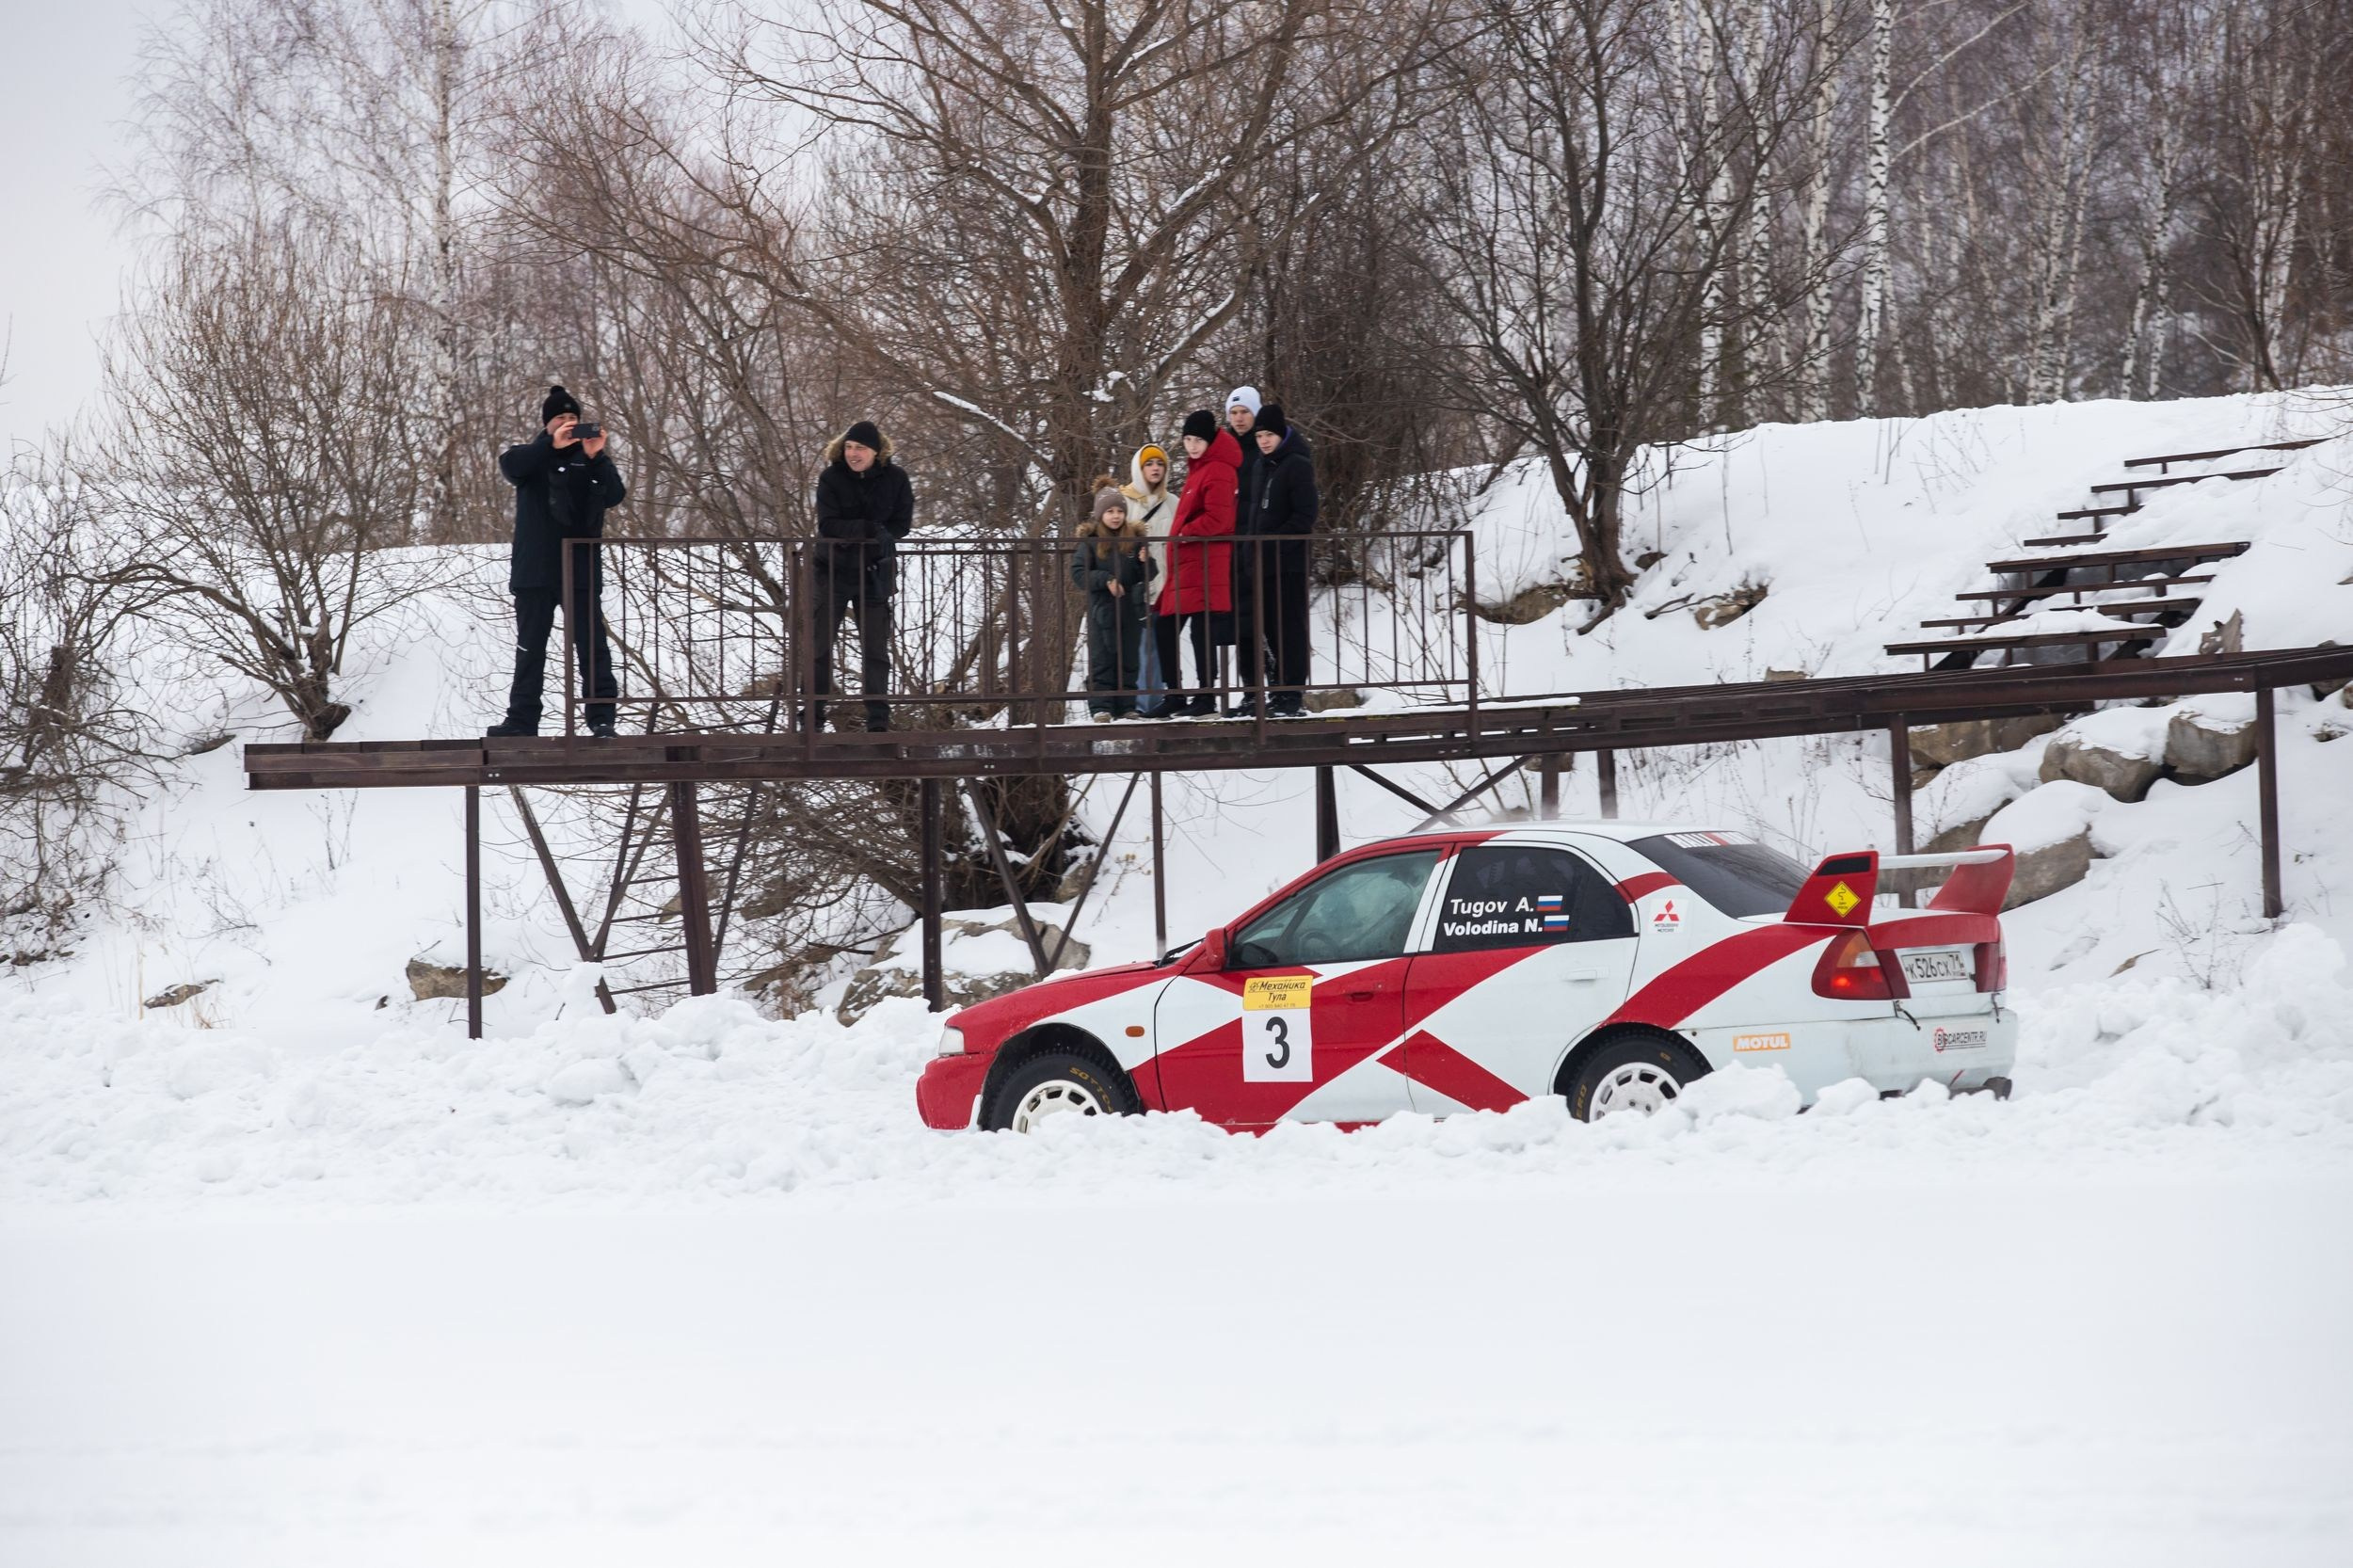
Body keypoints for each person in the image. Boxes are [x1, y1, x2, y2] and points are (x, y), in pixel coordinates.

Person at [489, 385, 626, 738]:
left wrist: (597, 457)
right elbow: (511, 466)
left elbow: (613, 495)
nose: (569, 425)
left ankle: (601, 720)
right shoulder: (533, 457)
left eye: (574, 419)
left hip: (580, 570)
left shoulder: (590, 460)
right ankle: (522, 721)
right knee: (530, 648)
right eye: (561, 419)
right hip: (536, 571)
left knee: (592, 645)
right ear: (547, 424)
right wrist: (551, 446)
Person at [809, 419, 914, 732]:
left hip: (874, 573)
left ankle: (878, 719)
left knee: (876, 649)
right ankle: (812, 715)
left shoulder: (896, 478)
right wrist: (870, 529)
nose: (853, 454)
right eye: (849, 447)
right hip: (832, 570)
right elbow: (828, 525)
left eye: (861, 448)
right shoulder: (831, 477)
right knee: (819, 646)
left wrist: (882, 538)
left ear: (876, 452)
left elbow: (901, 524)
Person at [1154, 410, 1239, 718]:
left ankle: (1205, 696)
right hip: (1189, 562)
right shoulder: (1199, 468)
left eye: (1198, 439)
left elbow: (1220, 519)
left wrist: (1183, 534)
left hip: (1204, 560)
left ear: (1210, 439)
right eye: (1187, 439)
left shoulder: (1218, 469)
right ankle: (1177, 694)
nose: (1191, 445)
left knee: (1199, 630)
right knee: (1165, 625)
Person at [1239, 403, 1320, 716]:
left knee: (1291, 629)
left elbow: (1305, 515)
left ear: (1282, 433)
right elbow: (1255, 515)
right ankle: (1279, 692)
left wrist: (1275, 545)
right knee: (1271, 629)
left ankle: (1292, 692)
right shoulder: (1262, 465)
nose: (1263, 440)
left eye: (1269, 434)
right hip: (1263, 562)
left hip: (1288, 562)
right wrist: (1251, 552)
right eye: (1259, 435)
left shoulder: (1297, 464)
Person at [1070, 480, 1156, 720]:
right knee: (1102, 658)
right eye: (1110, 511)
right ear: (1100, 514)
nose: (1116, 516)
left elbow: (1149, 574)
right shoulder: (1092, 540)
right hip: (1102, 610)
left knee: (1129, 659)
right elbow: (1078, 573)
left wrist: (1144, 562)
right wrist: (1105, 579)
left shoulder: (1135, 539)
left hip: (1130, 607)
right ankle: (1101, 707)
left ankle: (1127, 705)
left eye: (1119, 511)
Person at [1121, 443, 1177, 714]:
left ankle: (1160, 702)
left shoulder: (1174, 502)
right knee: (1139, 646)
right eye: (1149, 464)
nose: (1155, 469)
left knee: (1162, 645)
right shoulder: (1123, 501)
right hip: (1136, 584)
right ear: (1139, 468)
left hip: (1167, 582)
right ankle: (1138, 704)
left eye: (1160, 464)